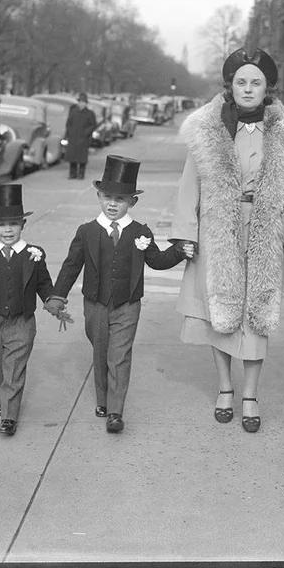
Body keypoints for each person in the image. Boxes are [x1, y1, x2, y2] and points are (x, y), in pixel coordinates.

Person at [170, 48, 284, 433]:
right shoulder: (207, 129)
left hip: (263, 226)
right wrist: (184, 234)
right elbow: (188, 185)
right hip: (218, 228)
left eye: (256, 82)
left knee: (257, 313)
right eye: (241, 82)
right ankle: (225, 388)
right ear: (230, 86)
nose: (248, 89)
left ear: (268, 88)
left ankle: (250, 394)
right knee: (221, 309)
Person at [44, 155, 189, 433]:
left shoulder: (141, 231)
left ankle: (115, 411)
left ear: (132, 202)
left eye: (120, 199)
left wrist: (180, 250)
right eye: (107, 197)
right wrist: (57, 295)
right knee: (101, 351)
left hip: (127, 303)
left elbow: (157, 261)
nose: (113, 204)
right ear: (98, 196)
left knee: (119, 355)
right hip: (95, 303)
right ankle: (102, 399)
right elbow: (71, 266)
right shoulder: (86, 232)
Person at [0, 184, 58, 437]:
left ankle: (8, 417)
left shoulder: (33, 254)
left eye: (14, 224)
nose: (8, 230)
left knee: (14, 367)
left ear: (23, 225)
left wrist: (52, 301)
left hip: (22, 321)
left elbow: (43, 283)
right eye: (1, 224)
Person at [64, 93, 98, 180]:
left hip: (83, 139)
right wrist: (68, 133)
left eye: (83, 102)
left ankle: (81, 174)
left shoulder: (90, 113)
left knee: (82, 158)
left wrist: (86, 133)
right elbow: (68, 123)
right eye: (80, 102)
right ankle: (72, 174)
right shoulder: (73, 112)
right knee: (72, 157)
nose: (81, 104)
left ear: (86, 103)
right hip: (73, 138)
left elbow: (93, 125)